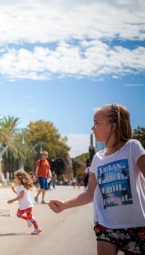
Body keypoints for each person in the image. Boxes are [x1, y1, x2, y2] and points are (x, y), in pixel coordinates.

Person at [49, 104, 145, 255]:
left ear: (113, 126)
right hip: (106, 226)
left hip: (137, 226)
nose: (92, 128)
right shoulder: (98, 158)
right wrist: (64, 204)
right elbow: (89, 194)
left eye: (97, 123)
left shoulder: (132, 147)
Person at [7, 169, 42, 235]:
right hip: (23, 206)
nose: (14, 179)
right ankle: (28, 219)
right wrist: (14, 191)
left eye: (15, 177)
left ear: (20, 178)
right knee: (18, 215)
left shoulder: (22, 187)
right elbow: (19, 194)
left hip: (27, 206)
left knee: (30, 216)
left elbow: (21, 196)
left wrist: (12, 200)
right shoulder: (19, 186)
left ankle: (37, 228)